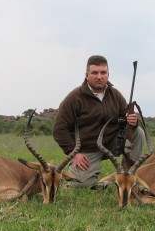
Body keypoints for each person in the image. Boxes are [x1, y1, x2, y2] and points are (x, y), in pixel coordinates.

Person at [53, 55, 145, 188]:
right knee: (80, 185)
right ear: (86, 75)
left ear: (108, 74)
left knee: (138, 132)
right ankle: (84, 175)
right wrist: (74, 153)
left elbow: (125, 118)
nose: (99, 76)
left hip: (112, 144)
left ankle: (128, 174)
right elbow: (59, 129)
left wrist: (133, 120)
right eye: (94, 73)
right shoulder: (74, 98)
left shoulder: (115, 95)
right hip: (87, 149)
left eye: (103, 72)